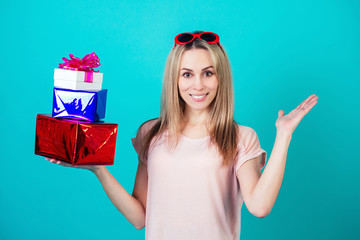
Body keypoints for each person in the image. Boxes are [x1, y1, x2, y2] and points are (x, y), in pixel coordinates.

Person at [46, 31, 319, 239]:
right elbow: (140, 217)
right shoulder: (150, 133)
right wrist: (99, 170)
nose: (197, 85)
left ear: (220, 77)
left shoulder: (240, 137)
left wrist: (283, 136)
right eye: (187, 74)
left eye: (208, 73)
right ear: (174, 80)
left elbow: (259, 207)